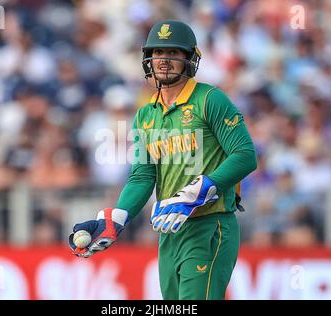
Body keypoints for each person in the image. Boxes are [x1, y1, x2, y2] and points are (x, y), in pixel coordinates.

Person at [69, 20, 257, 300]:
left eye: (173, 53)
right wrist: (117, 217)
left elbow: (245, 156)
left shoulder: (210, 99)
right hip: (169, 230)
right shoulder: (145, 115)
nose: (164, 60)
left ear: (189, 58)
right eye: (157, 53)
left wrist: (201, 189)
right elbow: (142, 176)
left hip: (210, 224)